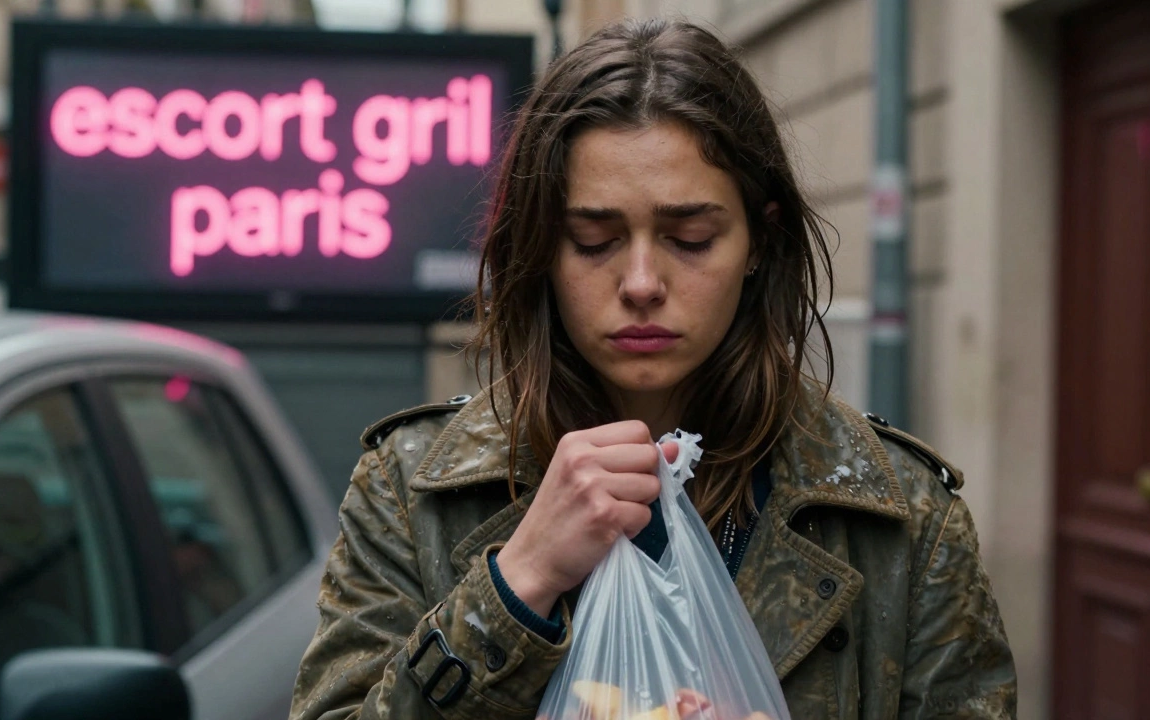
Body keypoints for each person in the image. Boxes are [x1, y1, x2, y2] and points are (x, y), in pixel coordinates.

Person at [289, 17, 1016, 720]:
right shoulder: (412, 494)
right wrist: (516, 587)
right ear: (541, 248)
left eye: (691, 238)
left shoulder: (901, 524)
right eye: (594, 240)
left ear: (759, 243)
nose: (641, 282)